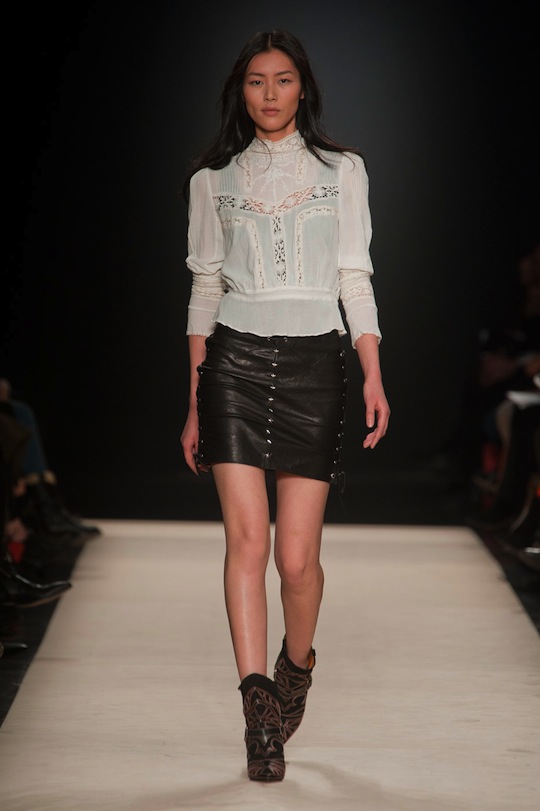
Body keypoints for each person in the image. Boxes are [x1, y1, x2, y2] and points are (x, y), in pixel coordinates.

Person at [180, 30, 390, 782]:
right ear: (240, 93)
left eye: (283, 79)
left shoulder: (343, 171)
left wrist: (372, 372)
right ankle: (258, 711)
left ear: (304, 88)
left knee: (297, 560)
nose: (269, 94)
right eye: (255, 81)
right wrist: (195, 401)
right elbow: (205, 288)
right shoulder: (212, 180)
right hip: (233, 365)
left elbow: (355, 274)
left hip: (315, 367)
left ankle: (295, 667)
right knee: (247, 541)